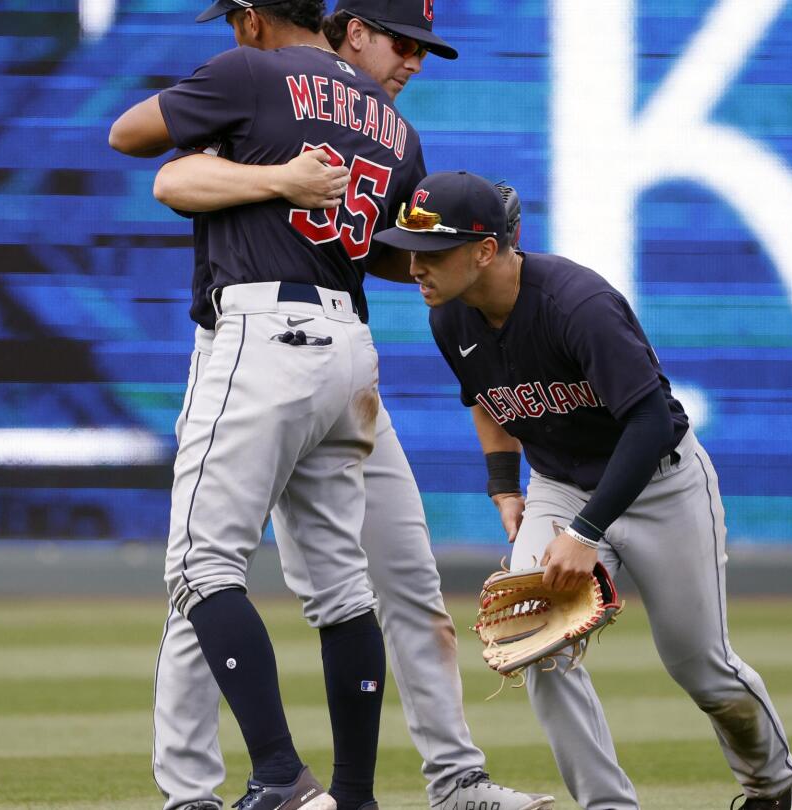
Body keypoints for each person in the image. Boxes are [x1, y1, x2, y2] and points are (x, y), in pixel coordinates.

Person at [139, 4, 550, 809]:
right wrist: (282, 180)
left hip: (318, 349)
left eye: (426, 49)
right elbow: (166, 172)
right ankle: (194, 789)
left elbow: (393, 256)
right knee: (213, 572)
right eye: (406, 41)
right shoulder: (262, 80)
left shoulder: (383, 126)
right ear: (352, 27)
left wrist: (467, 246)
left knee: (368, 575)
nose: (417, 62)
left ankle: (444, 781)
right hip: (265, 344)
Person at [372, 171, 792, 810]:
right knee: (537, 642)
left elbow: (651, 422)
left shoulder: (576, 304)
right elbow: (488, 401)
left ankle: (772, 786)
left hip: (662, 485)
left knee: (701, 666)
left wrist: (584, 534)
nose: (415, 265)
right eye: (411, 247)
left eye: (432, 251)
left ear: (486, 249)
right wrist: (504, 487)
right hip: (559, 485)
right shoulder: (449, 317)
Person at [108, 3, 427, 809]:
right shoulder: (392, 125)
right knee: (341, 588)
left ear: (251, 18)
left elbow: (131, 136)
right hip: (348, 345)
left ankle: (280, 774)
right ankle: (354, 795)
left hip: (264, 331)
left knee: (201, 564)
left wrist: (269, 174)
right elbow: (392, 250)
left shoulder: (248, 71)